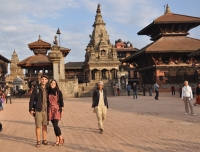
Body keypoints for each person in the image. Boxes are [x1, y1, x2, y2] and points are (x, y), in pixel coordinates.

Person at [29, 75, 50, 147]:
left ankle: (44, 139)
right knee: (38, 126)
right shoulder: (36, 88)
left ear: (47, 80)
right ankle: (38, 140)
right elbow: (32, 99)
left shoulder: (48, 88)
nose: (44, 80)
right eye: (42, 79)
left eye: (45, 79)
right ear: (40, 80)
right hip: (38, 109)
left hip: (46, 110)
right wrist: (31, 109)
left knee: (45, 125)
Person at [48, 79, 64, 146]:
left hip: (57, 109)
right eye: (52, 83)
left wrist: (62, 110)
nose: (53, 84)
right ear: (50, 84)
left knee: (55, 125)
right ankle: (57, 140)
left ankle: (61, 138)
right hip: (50, 109)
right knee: (54, 126)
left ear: (56, 84)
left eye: (54, 83)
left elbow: (61, 101)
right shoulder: (48, 91)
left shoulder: (58, 92)